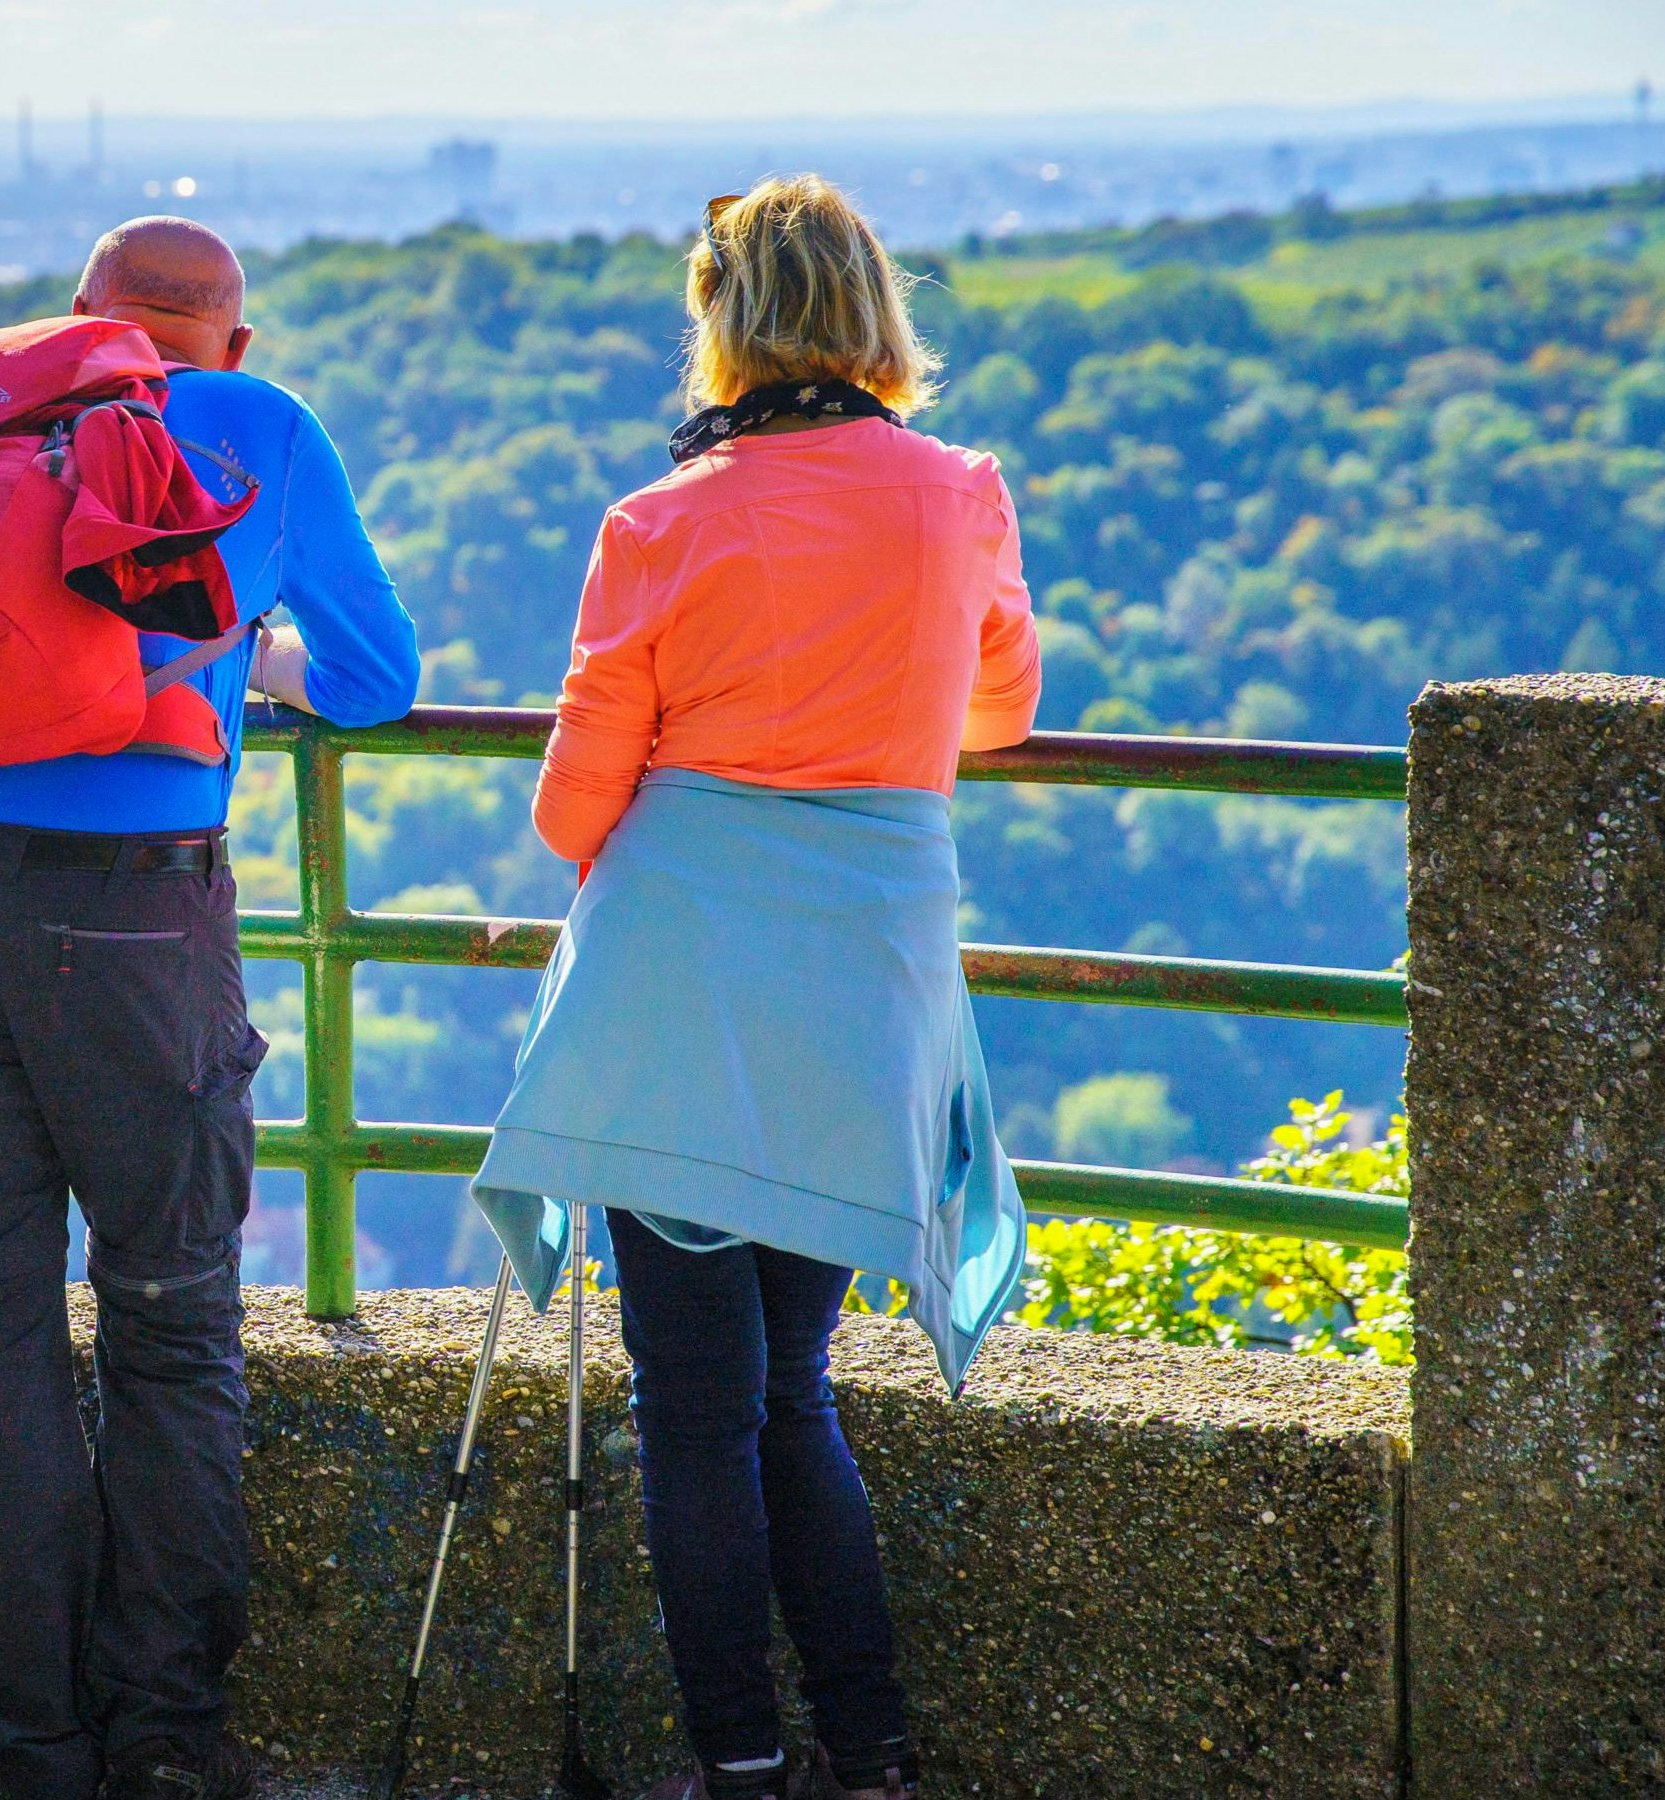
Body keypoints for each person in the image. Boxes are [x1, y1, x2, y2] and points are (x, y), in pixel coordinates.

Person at [468, 176, 1040, 1800]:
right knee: (796, 1391)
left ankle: (737, 1762)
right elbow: (999, 710)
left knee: (694, 1409)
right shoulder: (958, 494)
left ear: (721, 320)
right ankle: (872, 1754)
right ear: (876, 312)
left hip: (681, 987)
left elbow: (575, 805)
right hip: (871, 973)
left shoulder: (661, 523)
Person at [0, 217, 422, 1800]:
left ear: (83, 318)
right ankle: (165, 1742)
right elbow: (380, 672)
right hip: (135, 920)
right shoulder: (260, 426)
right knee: (173, 1327)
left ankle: (35, 1748)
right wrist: (246, 664)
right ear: (227, 344)